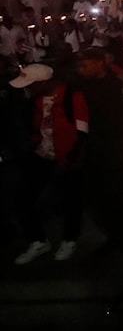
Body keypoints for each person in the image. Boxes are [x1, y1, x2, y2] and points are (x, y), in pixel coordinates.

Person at [8, 63, 89, 264]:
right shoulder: (34, 102)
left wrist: (69, 160)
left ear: (44, 83)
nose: (28, 89)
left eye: (31, 85)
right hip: (41, 155)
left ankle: (69, 240)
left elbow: (82, 133)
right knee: (22, 199)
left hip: (67, 159)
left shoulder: (73, 98)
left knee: (69, 202)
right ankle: (38, 241)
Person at [76, 47, 123, 254]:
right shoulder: (85, 86)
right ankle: (115, 234)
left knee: (114, 195)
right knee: (99, 196)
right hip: (94, 147)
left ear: (99, 63)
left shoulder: (115, 87)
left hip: (113, 148)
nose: (81, 69)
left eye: (86, 65)